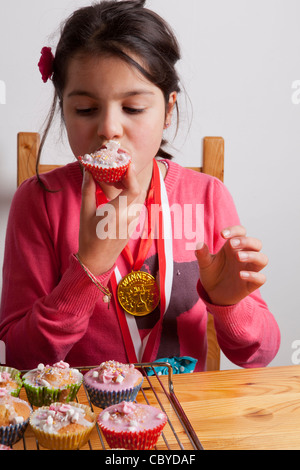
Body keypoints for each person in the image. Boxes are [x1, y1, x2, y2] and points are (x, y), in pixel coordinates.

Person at [0, 0, 280, 371]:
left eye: (132, 108)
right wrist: (87, 271)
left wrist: (230, 304)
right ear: (64, 110)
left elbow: (258, 354)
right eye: (85, 110)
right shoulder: (38, 201)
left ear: (168, 111)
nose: (109, 129)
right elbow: (18, 360)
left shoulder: (207, 197)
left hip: (182, 417)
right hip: (76, 420)